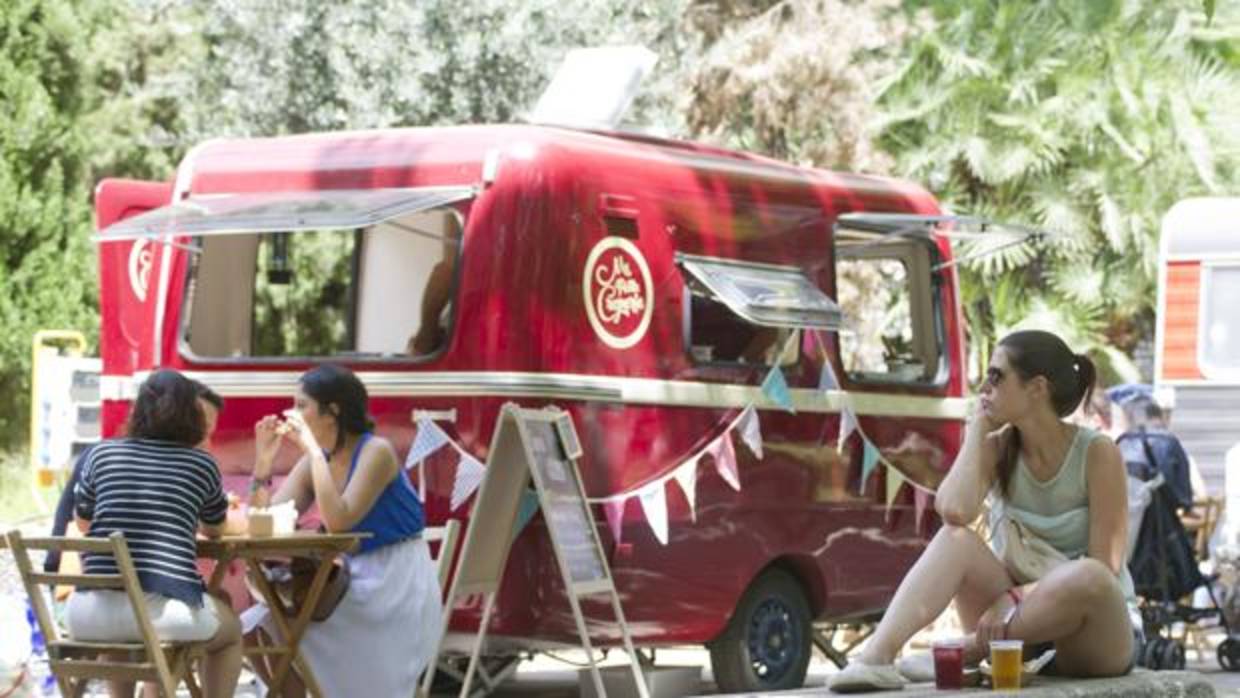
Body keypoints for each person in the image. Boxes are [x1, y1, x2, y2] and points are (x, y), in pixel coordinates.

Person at [829, 330, 1136, 692]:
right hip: (1013, 633)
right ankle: (876, 658)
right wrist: (978, 430)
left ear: (1037, 388)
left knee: (1090, 575)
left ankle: (968, 651)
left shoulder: (1097, 452)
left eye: (996, 376)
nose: (984, 387)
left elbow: (1106, 565)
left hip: (1090, 632)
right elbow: (955, 512)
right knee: (955, 539)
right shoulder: (997, 448)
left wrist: (1015, 598)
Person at [246, 363, 441, 698]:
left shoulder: (375, 451)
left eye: (302, 404)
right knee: (255, 627)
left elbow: (340, 521)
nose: (293, 412)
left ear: (331, 411)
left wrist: (311, 454)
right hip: (348, 578)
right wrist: (263, 465)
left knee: (280, 626)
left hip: (392, 582)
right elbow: (263, 524)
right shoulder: (316, 460)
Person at [66, 370, 243, 698]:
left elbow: (84, 524)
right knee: (232, 632)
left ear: (138, 409)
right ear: (192, 414)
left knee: (123, 619)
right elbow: (214, 528)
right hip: (162, 615)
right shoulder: (200, 464)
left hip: (87, 614)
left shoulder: (101, 454)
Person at [46, 382, 224, 574]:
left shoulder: (107, 453)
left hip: (97, 586)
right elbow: (84, 524)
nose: (205, 442)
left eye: (208, 433)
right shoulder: (125, 460)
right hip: (72, 577)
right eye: (200, 428)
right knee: (215, 600)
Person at [1116, 397, 1194, 513]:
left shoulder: (1121, 442)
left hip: (1126, 523)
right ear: (1158, 415)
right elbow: (1184, 497)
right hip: (1163, 524)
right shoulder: (1169, 441)